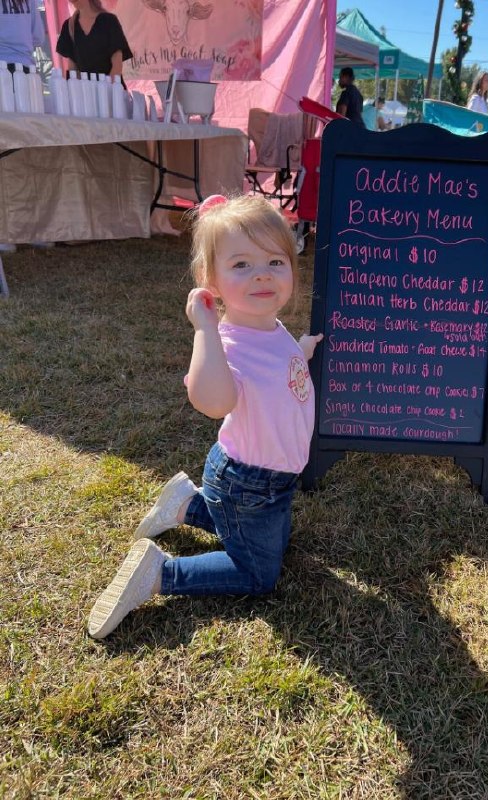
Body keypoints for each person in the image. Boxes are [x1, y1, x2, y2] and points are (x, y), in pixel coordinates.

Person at [87, 194, 324, 639]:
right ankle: (160, 574)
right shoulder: (227, 344)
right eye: (241, 265)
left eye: (275, 261)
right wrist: (205, 330)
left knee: (264, 537)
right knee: (259, 572)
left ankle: (186, 504)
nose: (262, 274)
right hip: (250, 481)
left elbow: (279, 365)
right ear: (209, 280)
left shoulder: (269, 326)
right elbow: (213, 400)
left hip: (264, 481)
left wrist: (303, 350)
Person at [0, 1, 45, 254]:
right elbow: (37, 37)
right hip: (27, 73)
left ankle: (7, 232)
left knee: (5, 153)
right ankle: (35, 229)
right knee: (29, 151)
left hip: (3, 73)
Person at [56, 0, 132, 81]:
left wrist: (106, 89)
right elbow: (73, 69)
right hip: (86, 91)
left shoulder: (109, 21)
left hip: (112, 90)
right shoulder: (69, 26)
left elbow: (117, 65)